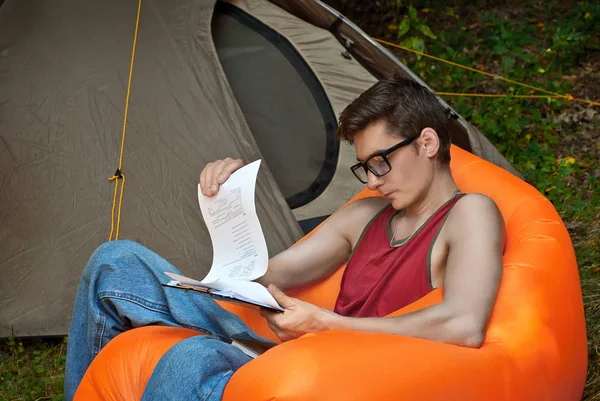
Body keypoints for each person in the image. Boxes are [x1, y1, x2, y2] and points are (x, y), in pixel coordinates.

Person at [64, 76, 504, 400]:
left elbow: (462, 325)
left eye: (380, 163)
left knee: (190, 358)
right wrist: (229, 203)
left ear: (427, 142)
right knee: (114, 261)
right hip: (294, 351)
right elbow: (267, 274)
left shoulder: (470, 213)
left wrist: (328, 325)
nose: (371, 182)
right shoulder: (368, 216)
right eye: (365, 167)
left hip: (342, 373)